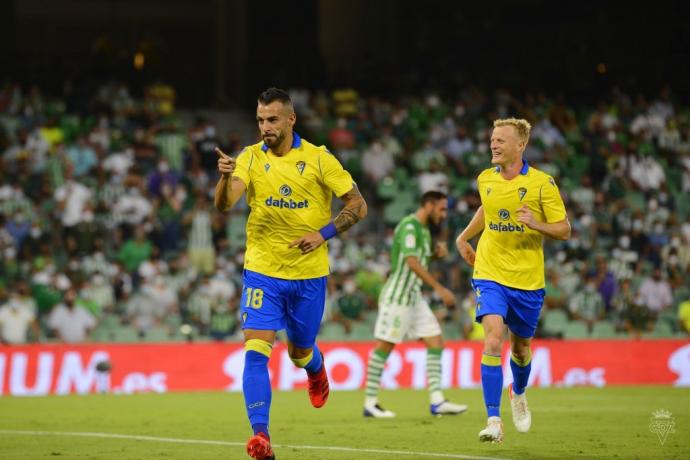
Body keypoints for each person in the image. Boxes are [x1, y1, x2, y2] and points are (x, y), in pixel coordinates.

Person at [214, 87, 367, 460]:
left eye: (272, 119)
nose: (265, 127)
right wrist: (224, 177)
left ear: (290, 119)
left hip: (309, 275)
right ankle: (261, 436)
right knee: (255, 349)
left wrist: (323, 233)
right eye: (260, 120)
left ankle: (315, 369)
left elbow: (358, 206)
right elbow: (225, 204)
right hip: (262, 271)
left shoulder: (318, 159)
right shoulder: (249, 158)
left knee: (300, 352)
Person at [455, 118, 570, 443]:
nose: (494, 145)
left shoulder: (541, 184)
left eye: (501, 140)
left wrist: (536, 223)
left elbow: (564, 229)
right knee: (492, 340)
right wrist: (464, 237)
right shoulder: (484, 179)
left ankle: (517, 392)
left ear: (521, 145)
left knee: (520, 350)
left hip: (528, 281)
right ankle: (493, 420)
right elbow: (488, 210)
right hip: (490, 273)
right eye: (492, 139)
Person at [363, 191, 468, 418]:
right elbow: (411, 262)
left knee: (436, 340)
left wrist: (435, 255)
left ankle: (437, 401)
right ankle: (370, 403)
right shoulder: (409, 226)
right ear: (428, 205)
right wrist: (439, 289)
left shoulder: (424, 231)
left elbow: (421, 258)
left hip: (414, 295)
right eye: (441, 208)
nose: (444, 214)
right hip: (398, 295)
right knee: (385, 346)